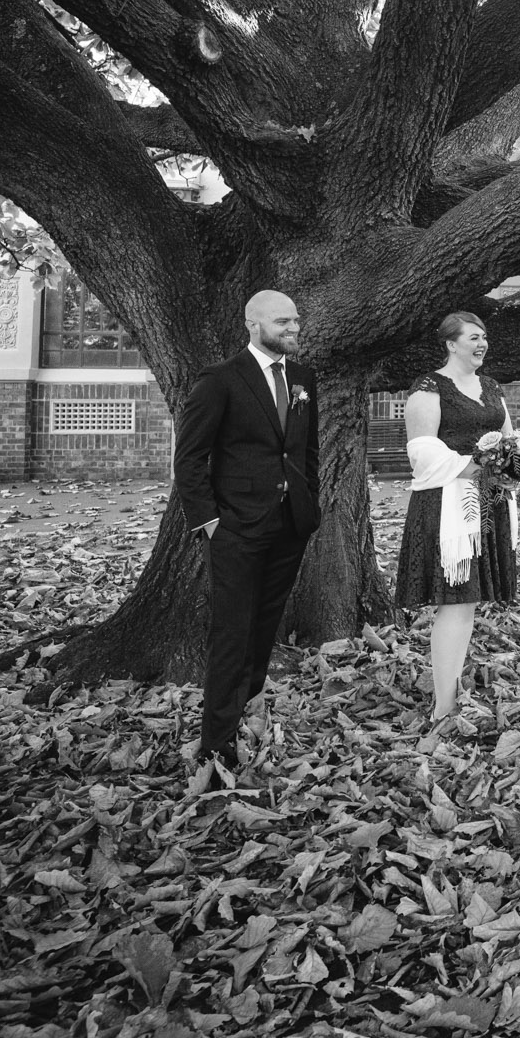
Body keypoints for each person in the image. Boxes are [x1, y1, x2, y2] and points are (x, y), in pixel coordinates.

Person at [173, 289, 321, 773]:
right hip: (235, 529)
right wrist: (211, 523)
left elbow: (305, 453)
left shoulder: (302, 379)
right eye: (284, 322)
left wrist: (308, 507)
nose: (294, 329)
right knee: (231, 633)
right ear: (254, 325)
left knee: (263, 628)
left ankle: (248, 710)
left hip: (289, 526)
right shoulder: (220, 380)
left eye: (296, 321)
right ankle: (216, 743)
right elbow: (190, 459)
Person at [398, 311, 520, 727]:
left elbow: (512, 436)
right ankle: (443, 708)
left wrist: (517, 460)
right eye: (473, 337)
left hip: (488, 505)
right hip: (449, 508)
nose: (482, 344)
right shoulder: (429, 388)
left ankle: (451, 694)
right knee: (456, 604)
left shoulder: (490, 387)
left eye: (485, 337)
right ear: (451, 343)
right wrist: (481, 466)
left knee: (469, 603)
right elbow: (421, 451)